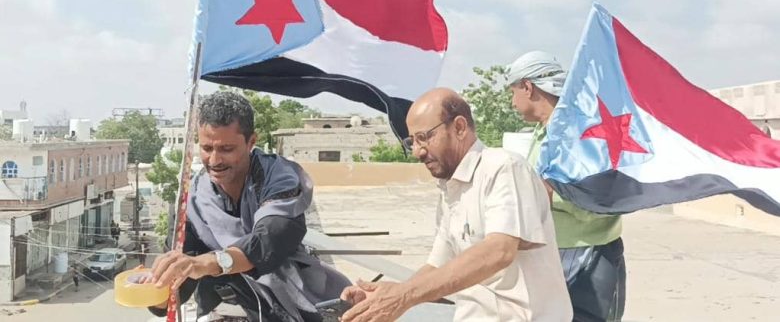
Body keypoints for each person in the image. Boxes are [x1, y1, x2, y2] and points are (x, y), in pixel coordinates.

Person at [340, 88, 571, 322]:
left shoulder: (504, 167)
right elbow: (437, 266)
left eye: (424, 137)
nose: (417, 151)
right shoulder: (450, 190)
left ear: (459, 127)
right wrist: (383, 298)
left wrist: (403, 296)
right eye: (412, 141)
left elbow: (499, 250)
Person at [143, 91, 351, 322]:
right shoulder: (191, 200)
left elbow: (268, 241)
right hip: (223, 310)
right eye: (207, 148)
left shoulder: (279, 177)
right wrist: (156, 285)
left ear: (251, 142)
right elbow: (181, 279)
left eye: (226, 149)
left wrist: (210, 262)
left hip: (298, 306)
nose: (214, 160)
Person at [506, 50, 626, 322]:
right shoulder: (544, 132)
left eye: (513, 92)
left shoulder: (580, 131)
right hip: (554, 256)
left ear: (527, 87)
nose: (512, 102)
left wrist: (550, 194)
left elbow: (604, 199)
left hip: (589, 259)